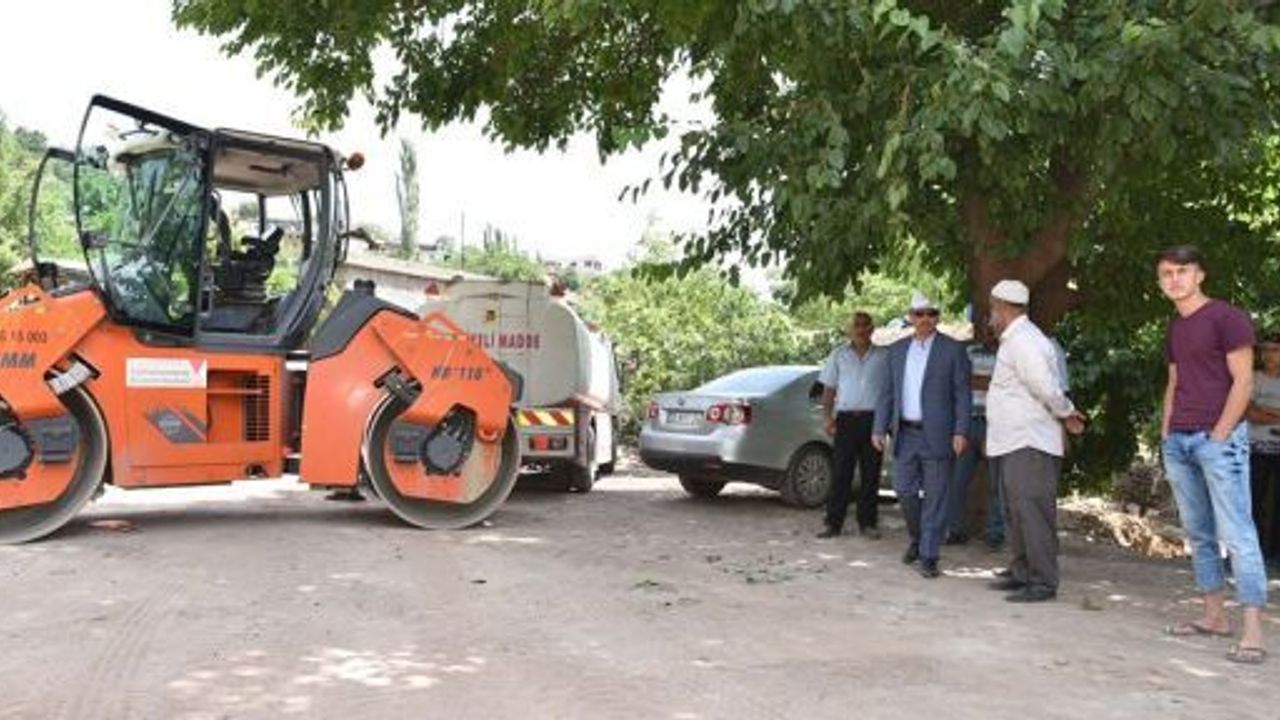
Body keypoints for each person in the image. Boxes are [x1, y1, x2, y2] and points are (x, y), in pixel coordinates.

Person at [1157, 245, 1267, 665]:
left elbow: (1244, 383)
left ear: (1200, 275)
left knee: (1237, 532)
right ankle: (1214, 617)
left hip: (1217, 440)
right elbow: (1174, 382)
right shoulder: (1175, 327)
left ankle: (1253, 631)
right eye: (1166, 273)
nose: (1174, 280)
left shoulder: (1227, 318)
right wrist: (1167, 432)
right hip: (1180, 441)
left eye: (1182, 271)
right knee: (1199, 533)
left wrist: (1220, 435)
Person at [983, 280, 1085, 603]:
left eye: (992, 308)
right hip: (1015, 441)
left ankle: (1043, 581)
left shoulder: (1025, 340)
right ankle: (1022, 571)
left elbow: (1043, 385)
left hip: (1030, 442)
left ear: (1003, 308)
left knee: (1032, 511)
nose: (990, 316)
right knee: (1017, 511)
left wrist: (1067, 413)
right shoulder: (1016, 339)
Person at [873, 292, 971, 579]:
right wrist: (879, 427)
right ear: (910, 316)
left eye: (931, 313)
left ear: (937, 317)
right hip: (906, 432)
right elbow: (886, 393)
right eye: (920, 314)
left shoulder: (953, 350)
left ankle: (929, 554)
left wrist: (961, 430)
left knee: (936, 496)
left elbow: (962, 395)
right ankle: (918, 538)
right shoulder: (897, 351)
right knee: (903, 489)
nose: (926, 319)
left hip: (939, 434)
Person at [817, 311, 890, 539]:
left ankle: (867, 523)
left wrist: (886, 423)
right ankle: (833, 523)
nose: (860, 329)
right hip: (846, 420)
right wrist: (827, 417)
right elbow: (829, 388)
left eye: (865, 325)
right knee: (841, 472)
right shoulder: (838, 355)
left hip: (873, 420)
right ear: (850, 329)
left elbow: (890, 391)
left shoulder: (884, 356)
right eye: (856, 325)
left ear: (872, 329)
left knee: (871, 473)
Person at [944, 337, 997, 547]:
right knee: (957, 480)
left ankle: (995, 534)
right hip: (966, 422)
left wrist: (978, 380)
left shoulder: (1010, 352)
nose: (991, 329)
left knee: (997, 482)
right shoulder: (968, 351)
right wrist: (993, 381)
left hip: (996, 423)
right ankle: (955, 530)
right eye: (987, 324)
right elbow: (960, 380)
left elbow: (1011, 386)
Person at [1245, 333, 1280, 564]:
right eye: (1265, 349)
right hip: (1253, 449)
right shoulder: (1251, 378)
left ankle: (1275, 556)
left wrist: (1263, 410)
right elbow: (1248, 413)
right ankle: (1248, 554)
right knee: (1250, 503)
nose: (1268, 354)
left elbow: (1258, 411)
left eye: (1275, 350)